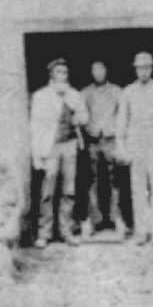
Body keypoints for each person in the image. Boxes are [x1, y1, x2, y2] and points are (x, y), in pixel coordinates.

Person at [29, 58, 90, 247]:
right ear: (52, 75)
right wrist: (37, 154)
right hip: (50, 146)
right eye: (59, 72)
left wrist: (77, 116)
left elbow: (85, 116)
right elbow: (35, 126)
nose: (63, 75)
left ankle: (66, 231)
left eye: (65, 72)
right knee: (48, 190)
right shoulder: (41, 96)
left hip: (69, 145)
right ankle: (44, 233)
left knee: (69, 190)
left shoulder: (73, 95)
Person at [117, 51, 153, 246]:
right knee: (138, 189)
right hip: (136, 146)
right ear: (135, 69)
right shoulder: (128, 92)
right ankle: (141, 231)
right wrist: (122, 147)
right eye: (140, 68)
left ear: (152, 68)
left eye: (147, 67)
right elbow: (122, 122)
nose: (144, 71)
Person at [81, 60, 125, 237]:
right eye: (95, 70)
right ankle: (94, 218)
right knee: (92, 180)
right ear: (91, 73)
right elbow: (80, 113)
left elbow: (123, 114)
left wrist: (115, 131)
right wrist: (89, 129)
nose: (98, 73)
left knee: (116, 180)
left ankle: (116, 218)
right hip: (93, 141)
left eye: (101, 69)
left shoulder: (116, 91)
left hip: (111, 140)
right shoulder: (85, 92)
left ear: (106, 71)